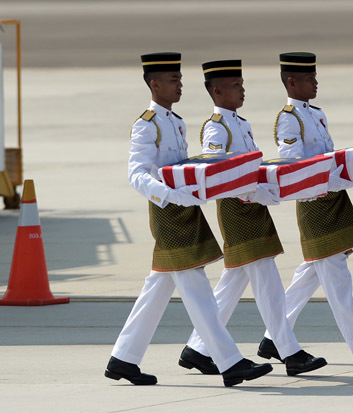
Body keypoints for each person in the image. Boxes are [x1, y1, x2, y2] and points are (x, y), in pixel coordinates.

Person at [105, 52, 272, 387]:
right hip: (168, 214)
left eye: (180, 79)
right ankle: (230, 362)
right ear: (154, 84)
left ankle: (123, 358)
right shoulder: (146, 124)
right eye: (173, 80)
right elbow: (137, 175)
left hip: (185, 209)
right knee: (197, 290)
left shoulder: (175, 121)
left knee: (159, 286)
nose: (180, 84)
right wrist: (171, 195)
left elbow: (181, 168)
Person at [178, 59, 327, 377]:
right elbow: (217, 172)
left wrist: (272, 190)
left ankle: (198, 348)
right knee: (268, 282)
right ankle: (290, 353)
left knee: (234, 282)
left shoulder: (239, 124)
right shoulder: (216, 127)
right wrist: (255, 193)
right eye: (236, 86)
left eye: (242, 84)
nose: (242, 90)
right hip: (237, 210)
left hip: (252, 207)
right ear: (217, 91)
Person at [258, 52, 353, 366]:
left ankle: (273, 338)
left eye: (316, 76)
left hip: (333, 198)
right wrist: (336, 180)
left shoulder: (317, 114)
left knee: (311, 273)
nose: (316, 83)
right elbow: (294, 166)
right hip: (314, 203)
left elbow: (330, 158)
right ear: (292, 82)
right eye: (310, 78)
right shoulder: (289, 118)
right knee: (337, 276)